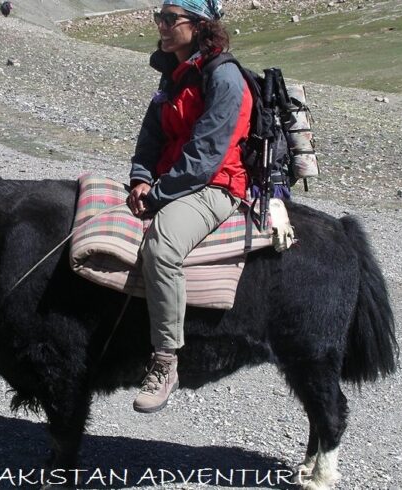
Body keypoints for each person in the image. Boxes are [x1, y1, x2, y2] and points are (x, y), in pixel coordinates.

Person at [127, 0, 252, 413]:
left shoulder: (224, 77)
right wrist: (141, 179)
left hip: (216, 185)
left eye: (170, 19)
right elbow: (150, 135)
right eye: (159, 18)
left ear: (199, 26)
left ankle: (165, 361)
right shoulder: (172, 74)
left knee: (162, 248)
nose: (161, 27)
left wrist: (159, 195)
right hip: (169, 181)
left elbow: (207, 155)